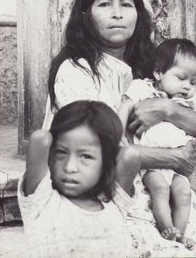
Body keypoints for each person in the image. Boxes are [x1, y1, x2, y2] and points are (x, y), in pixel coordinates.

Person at [42, 0, 196, 257]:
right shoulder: (75, 71)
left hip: (159, 193)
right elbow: (95, 150)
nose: (117, 14)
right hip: (105, 194)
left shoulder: (150, 65)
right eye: (104, 5)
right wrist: (173, 157)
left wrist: (165, 109)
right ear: (85, 15)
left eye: (126, 5)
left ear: (138, 14)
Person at [118, 38, 196, 248]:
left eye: (194, 82)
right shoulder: (142, 88)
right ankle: (166, 226)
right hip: (152, 164)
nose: (187, 86)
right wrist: (119, 134)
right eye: (181, 78)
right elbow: (125, 106)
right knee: (160, 190)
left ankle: (180, 233)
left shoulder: (190, 100)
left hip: (178, 168)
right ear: (158, 72)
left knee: (183, 192)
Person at [18, 100, 141, 258]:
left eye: (86, 156)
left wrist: (108, 149)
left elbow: (131, 156)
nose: (70, 167)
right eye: (61, 152)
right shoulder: (41, 201)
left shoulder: (113, 202)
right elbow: (40, 138)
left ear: (107, 161)